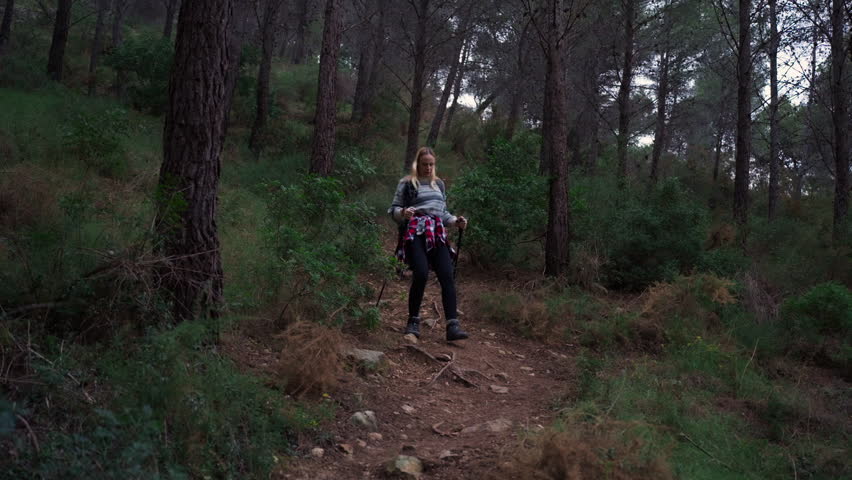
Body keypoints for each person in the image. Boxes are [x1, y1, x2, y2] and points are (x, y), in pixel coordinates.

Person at [388, 147, 469, 341]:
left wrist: (456, 221)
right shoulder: (407, 184)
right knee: (421, 273)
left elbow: (443, 213)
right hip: (415, 232)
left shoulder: (439, 184)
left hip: (437, 232)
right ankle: (413, 321)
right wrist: (403, 213)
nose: (428, 168)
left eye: (431, 164)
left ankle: (452, 326)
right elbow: (394, 209)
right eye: (425, 164)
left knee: (447, 275)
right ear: (418, 164)